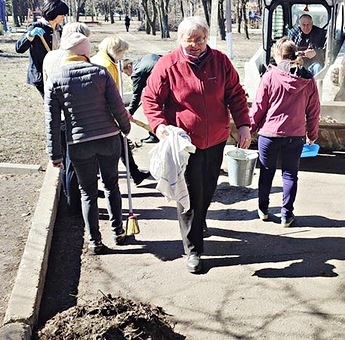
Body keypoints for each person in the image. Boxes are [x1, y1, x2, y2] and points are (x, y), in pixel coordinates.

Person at [142, 15, 251, 274]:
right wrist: (158, 125)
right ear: (179, 39)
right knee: (189, 193)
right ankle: (193, 250)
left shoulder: (220, 62)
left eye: (200, 39)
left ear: (207, 38)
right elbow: (150, 98)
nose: (195, 45)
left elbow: (236, 94)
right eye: (189, 40)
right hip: (185, 143)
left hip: (216, 139)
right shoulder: (168, 65)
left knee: (208, 187)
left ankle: (199, 220)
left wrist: (243, 124)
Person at [44, 33, 131, 254]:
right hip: (108, 138)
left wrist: (55, 154)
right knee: (111, 186)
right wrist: (125, 128)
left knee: (87, 192)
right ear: (85, 52)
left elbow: (52, 121)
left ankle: (95, 241)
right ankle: (118, 231)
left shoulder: (55, 79)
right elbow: (117, 106)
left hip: (78, 143)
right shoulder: (100, 72)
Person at [249, 37, 320, 227]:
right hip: (295, 136)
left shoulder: (270, 76)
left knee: (266, 172)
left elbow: (259, 107)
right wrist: (312, 135)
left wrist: (249, 129)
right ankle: (286, 215)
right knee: (290, 174)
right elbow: (313, 111)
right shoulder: (308, 79)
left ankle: (263, 210)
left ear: (279, 54)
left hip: (269, 135)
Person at [41, 22, 92, 214]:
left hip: (56, 114)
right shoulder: (77, 58)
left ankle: (68, 198)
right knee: (74, 163)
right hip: (75, 117)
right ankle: (75, 206)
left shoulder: (49, 57)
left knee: (62, 160)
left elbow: (45, 83)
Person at [92, 35, 150, 185]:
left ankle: (135, 173)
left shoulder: (104, 61)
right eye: (122, 52)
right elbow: (108, 93)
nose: (123, 56)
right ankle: (128, 175)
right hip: (106, 114)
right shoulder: (105, 65)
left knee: (122, 143)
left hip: (105, 112)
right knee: (115, 145)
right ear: (115, 50)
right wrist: (118, 113)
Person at [15, 0, 69, 97]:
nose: (64, 16)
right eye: (61, 14)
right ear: (53, 13)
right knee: (52, 100)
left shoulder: (59, 29)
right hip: (42, 74)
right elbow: (19, 48)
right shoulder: (36, 27)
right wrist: (30, 36)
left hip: (57, 72)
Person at [126, 53, 162, 144]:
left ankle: (154, 135)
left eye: (126, 72)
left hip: (161, 84)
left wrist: (130, 112)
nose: (128, 75)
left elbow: (136, 95)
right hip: (166, 76)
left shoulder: (137, 72)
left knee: (150, 108)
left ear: (129, 66)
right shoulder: (143, 59)